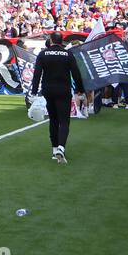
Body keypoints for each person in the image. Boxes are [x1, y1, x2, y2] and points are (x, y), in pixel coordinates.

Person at [29, 34, 85, 165]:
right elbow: (76, 73)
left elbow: (37, 74)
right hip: (63, 90)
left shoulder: (43, 54)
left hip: (48, 90)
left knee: (53, 119)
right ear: (62, 42)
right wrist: (80, 90)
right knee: (64, 121)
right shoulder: (67, 54)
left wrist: (33, 92)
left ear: (51, 40)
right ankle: (61, 147)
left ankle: (55, 150)